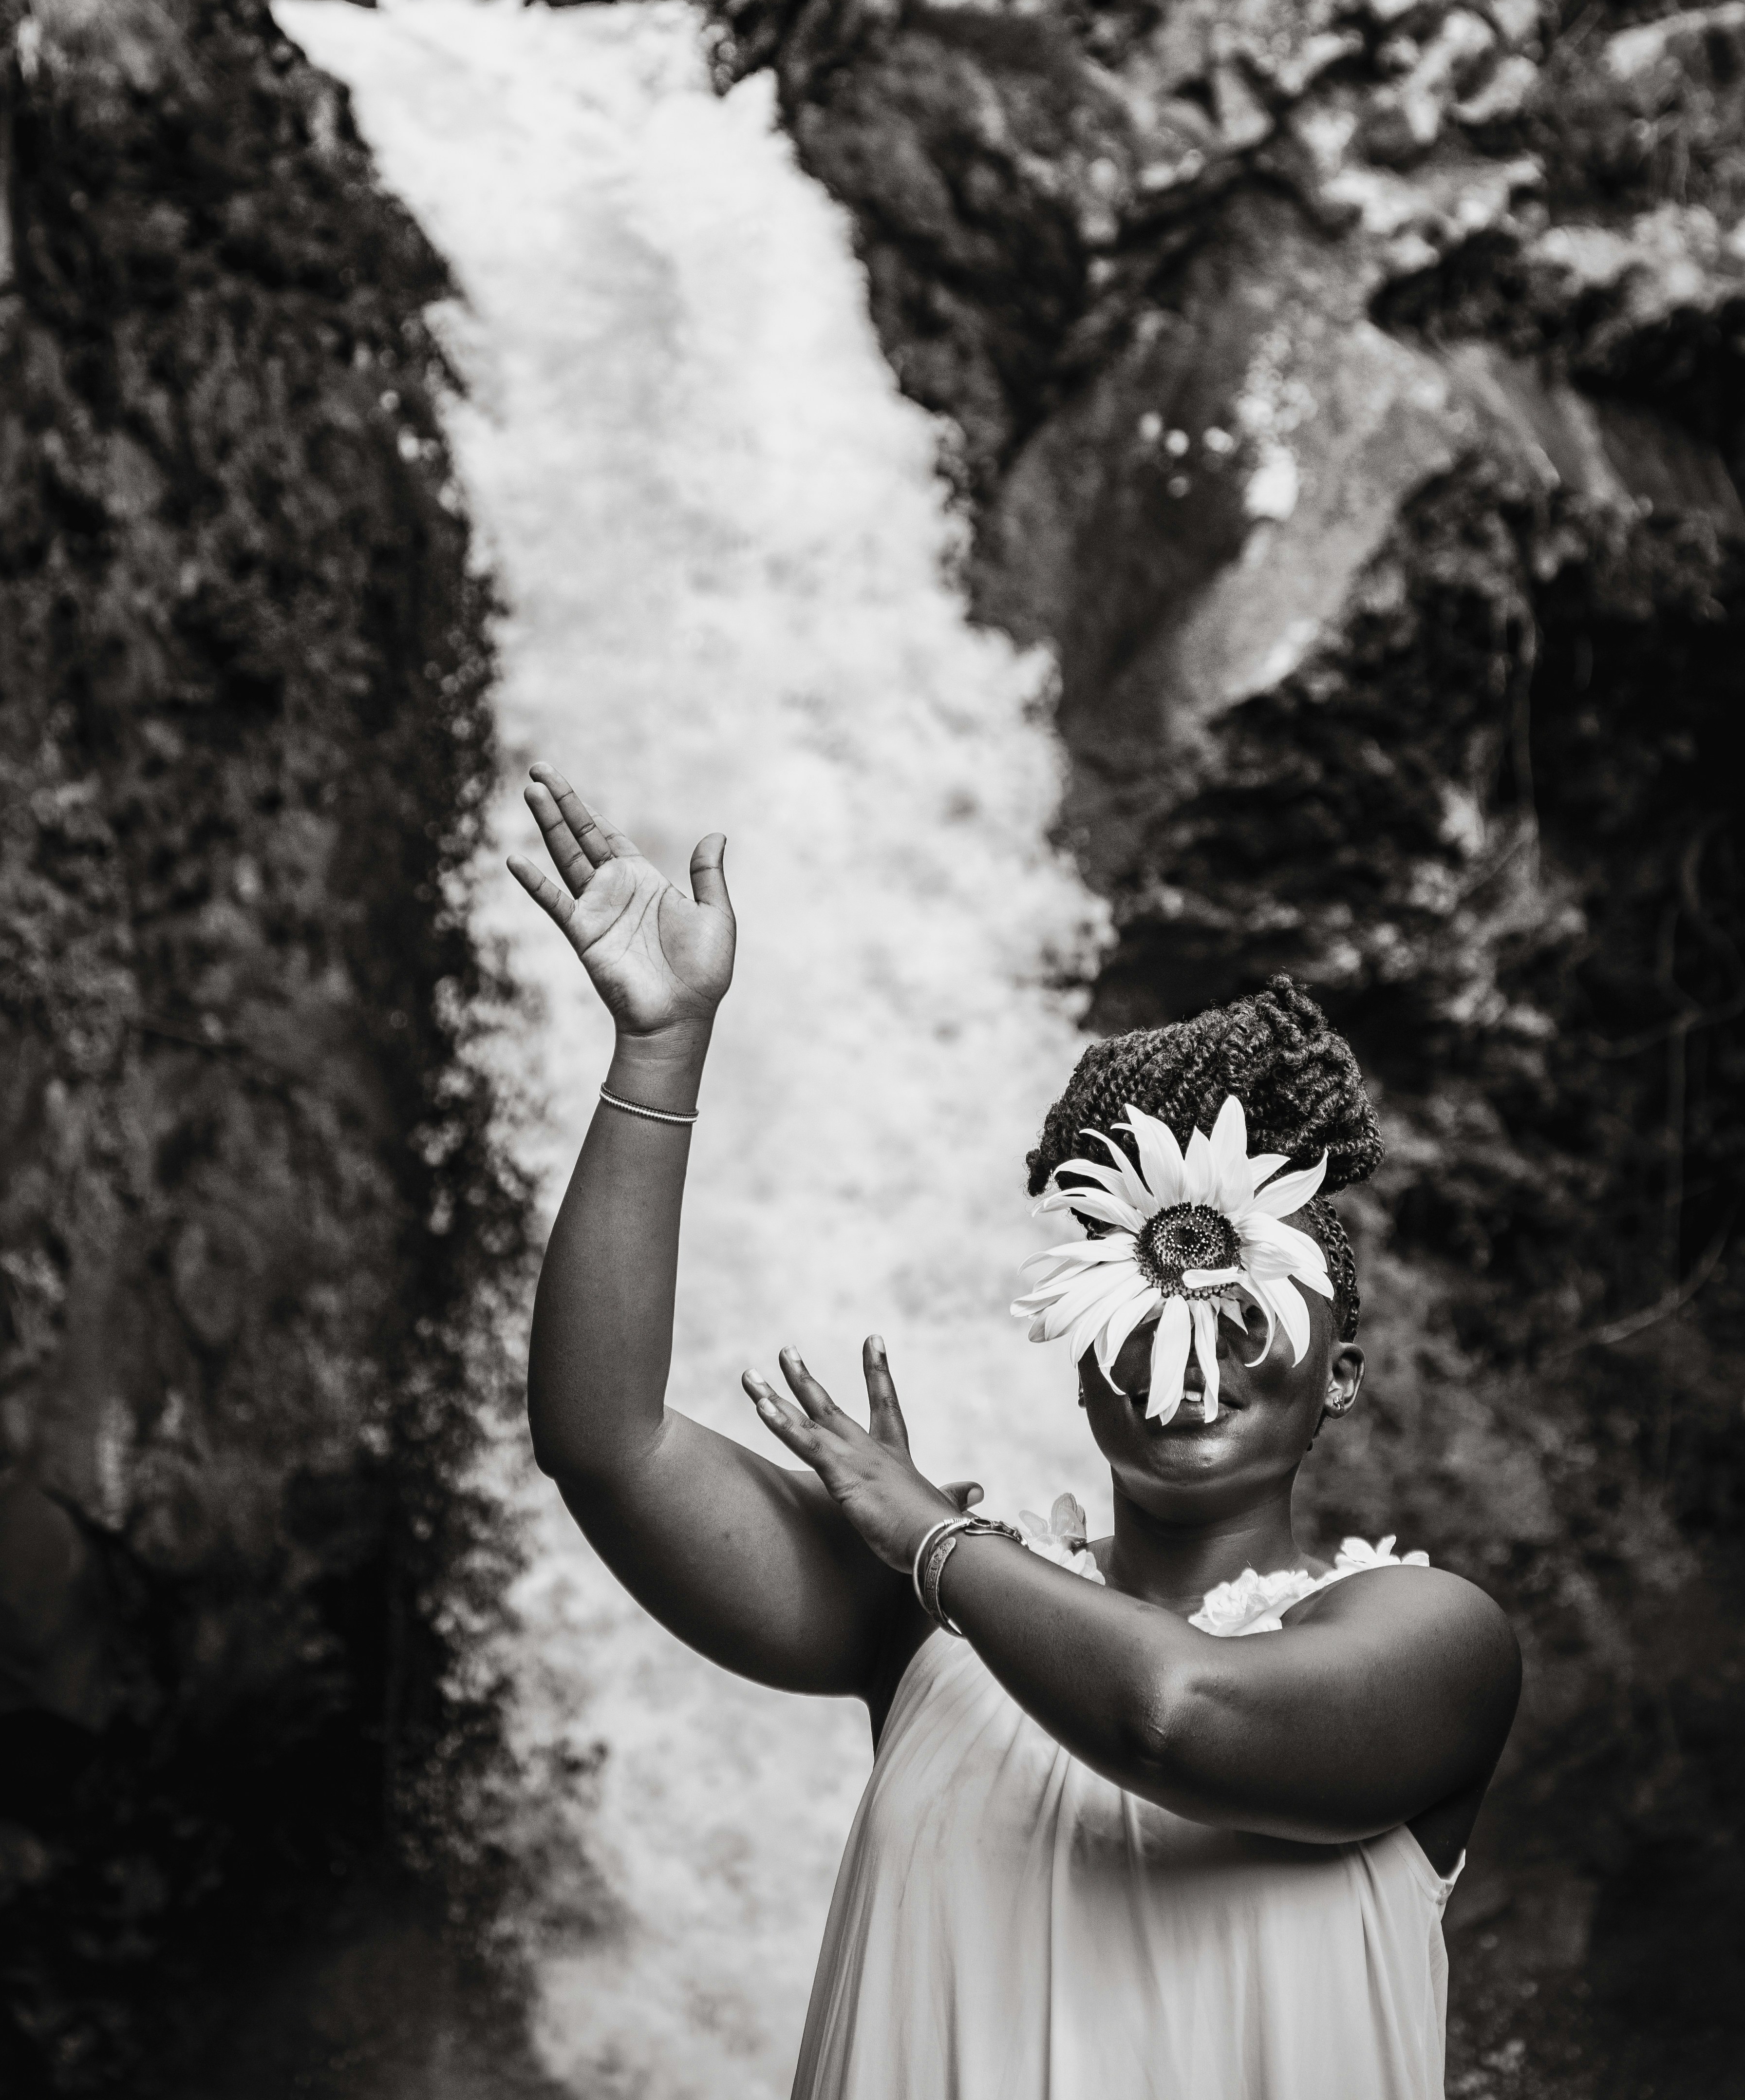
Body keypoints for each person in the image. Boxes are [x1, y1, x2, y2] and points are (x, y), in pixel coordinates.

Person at [512, 760, 1521, 2100]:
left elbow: (1173, 1713)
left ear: (1342, 1371)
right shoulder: (934, 1629)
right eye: (1144, 1292)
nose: (1190, 1351)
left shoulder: (1433, 1640)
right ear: (1078, 1353)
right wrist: (658, 1054)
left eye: (1247, 1309)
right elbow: (604, 1443)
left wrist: (933, 1537)